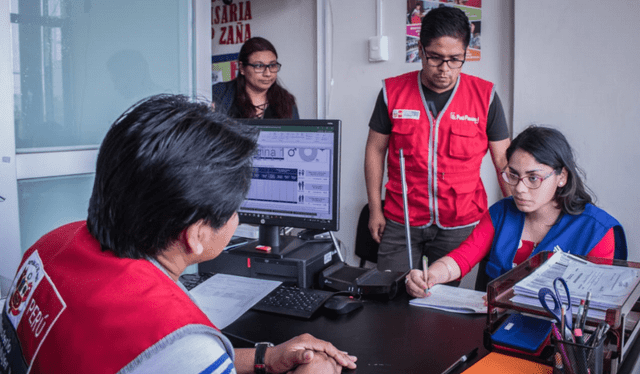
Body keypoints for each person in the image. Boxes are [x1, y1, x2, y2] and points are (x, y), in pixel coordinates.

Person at [1, 94, 356, 374]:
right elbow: (174, 357)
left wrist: (264, 357)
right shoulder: (177, 342)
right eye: (235, 209)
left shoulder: (50, 245)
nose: (236, 217)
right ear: (195, 235)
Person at [365, 6, 511, 278]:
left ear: (466, 52)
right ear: (420, 50)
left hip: (461, 220)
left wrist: (515, 218)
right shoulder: (391, 92)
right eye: (435, 58)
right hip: (402, 218)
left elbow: (503, 161)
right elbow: (375, 150)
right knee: (389, 293)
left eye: (455, 59)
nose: (444, 69)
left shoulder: (485, 97)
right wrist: (375, 209)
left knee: (440, 301)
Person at [406, 125, 627, 298]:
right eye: (513, 175)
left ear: (562, 177)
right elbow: (463, 256)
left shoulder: (597, 230)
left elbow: (595, 301)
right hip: (497, 330)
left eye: (533, 178)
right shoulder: (502, 213)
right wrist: (432, 275)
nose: (519, 188)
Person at [212, 37, 299, 119]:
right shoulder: (219, 94)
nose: (268, 73)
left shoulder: (286, 101)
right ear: (242, 68)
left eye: (272, 65)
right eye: (259, 66)